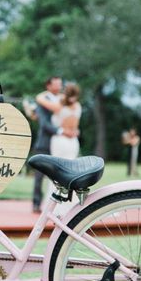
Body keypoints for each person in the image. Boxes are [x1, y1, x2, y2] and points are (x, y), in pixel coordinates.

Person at [36, 83, 82, 216]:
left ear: (65, 94)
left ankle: (56, 205)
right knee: (70, 171)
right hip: (73, 141)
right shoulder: (78, 106)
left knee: (57, 172)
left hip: (60, 140)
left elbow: (39, 98)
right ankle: (71, 204)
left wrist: (46, 93)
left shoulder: (58, 106)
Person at [31, 76, 64, 213]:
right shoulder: (42, 101)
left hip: (60, 145)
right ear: (48, 86)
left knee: (60, 176)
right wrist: (61, 131)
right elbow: (44, 124)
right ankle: (36, 203)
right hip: (44, 144)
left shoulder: (63, 100)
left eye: (60, 84)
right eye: (56, 84)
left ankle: (58, 205)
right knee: (39, 177)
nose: (59, 86)